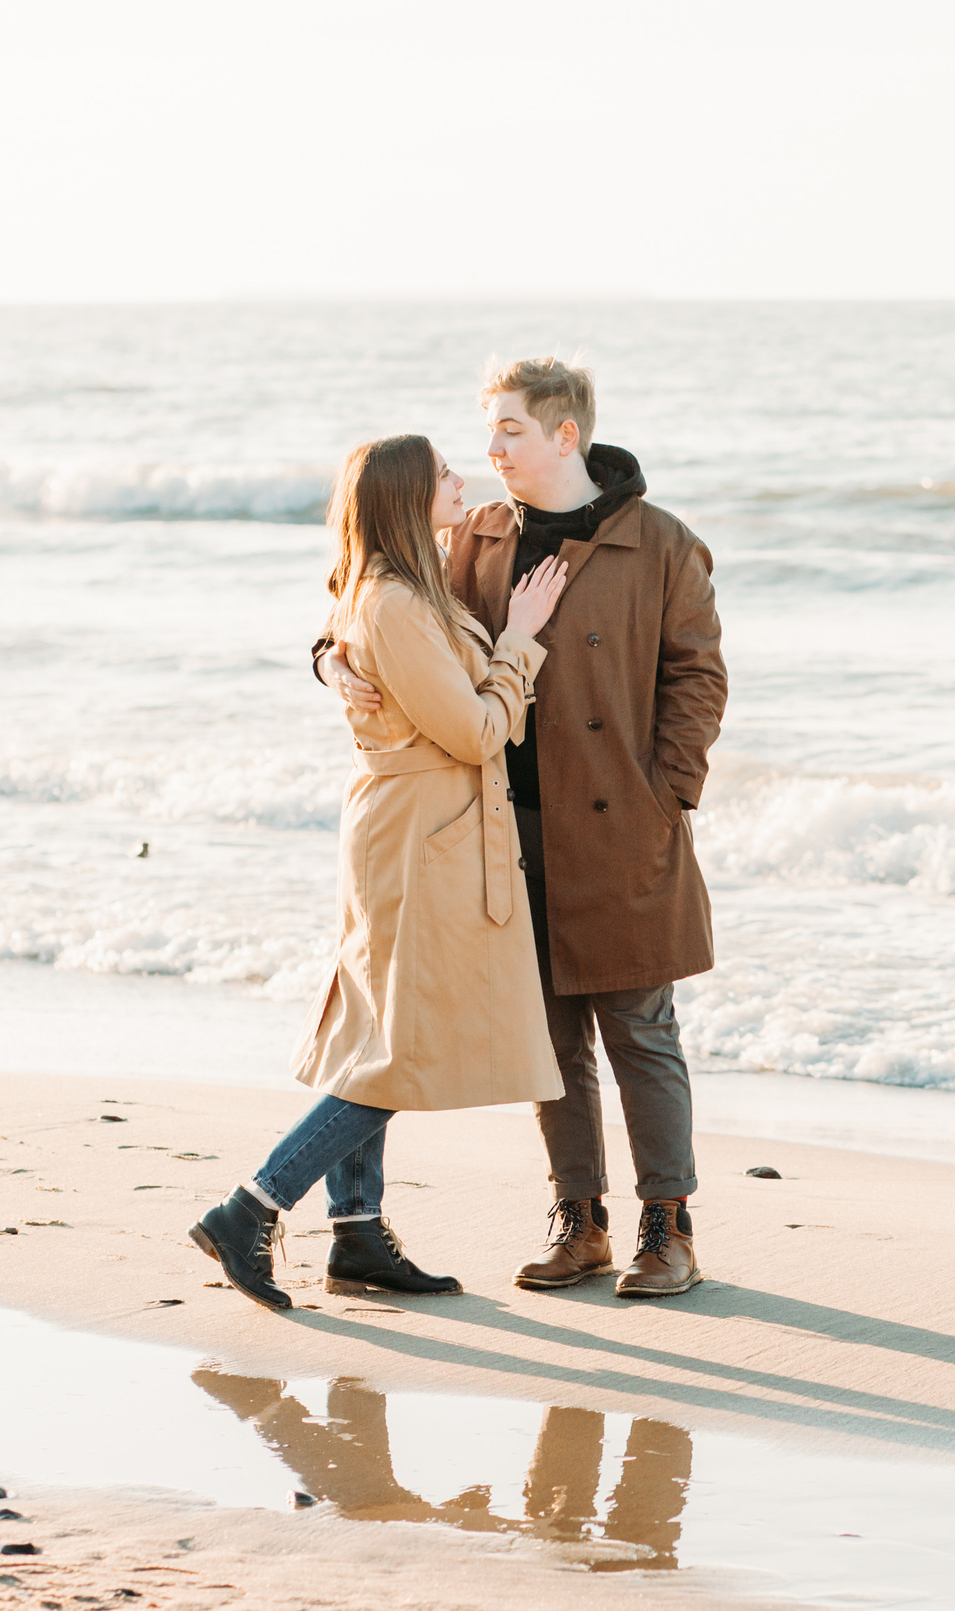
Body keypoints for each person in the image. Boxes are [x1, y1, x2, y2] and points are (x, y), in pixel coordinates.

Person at [319, 358, 725, 1299]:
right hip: (502, 835)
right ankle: (578, 1221)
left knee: (641, 1034)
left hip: (627, 833)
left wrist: (669, 796)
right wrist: (327, 661)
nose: (490, 450)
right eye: (488, 431)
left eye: (507, 431)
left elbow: (698, 681)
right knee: (548, 1041)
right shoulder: (475, 536)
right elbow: (370, 600)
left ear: (563, 435)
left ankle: (669, 1227)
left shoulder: (662, 544)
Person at [193, 434, 570, 1310]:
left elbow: (355, 633)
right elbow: (476, 731)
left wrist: (329, 656)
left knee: (377, 1037)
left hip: (410, 828)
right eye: (443, 473)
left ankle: (356, 1232)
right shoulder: (396, 601)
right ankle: (250, 1207)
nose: (460, 480)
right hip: (418, 838)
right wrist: (520, 642)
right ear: (405, 497)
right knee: (402, 1051)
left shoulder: (410, 581)